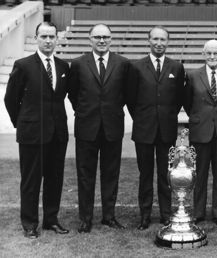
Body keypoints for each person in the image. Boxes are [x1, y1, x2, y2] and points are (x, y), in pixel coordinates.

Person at [4, 22, 70, 238]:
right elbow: (10, 99)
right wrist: (23, 123)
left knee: (55, 179)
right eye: (44, 36)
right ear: (36, 38)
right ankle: (30, 223)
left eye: (52, 36)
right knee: (31, 180)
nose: (48, 41)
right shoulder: (23, 65)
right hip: (32, 135)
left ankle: (51, 219)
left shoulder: (62, 66)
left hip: (58, 134)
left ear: (57, 39)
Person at [68, 24, 131, 233]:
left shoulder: (122, 63)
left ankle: (109, 216)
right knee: (85, 173)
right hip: (87, 126)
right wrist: (87, 112)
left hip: (112, 126)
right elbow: (73, 94)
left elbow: (125, 93)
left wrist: (109, 111)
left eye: (105, 37)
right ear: (90, 39)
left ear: (111, 39)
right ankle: (86, 218)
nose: (102, 40)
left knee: (111, 173)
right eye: (97, 37)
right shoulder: (77, 64)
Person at [126, 26, 185, 230]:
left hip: (167, 130)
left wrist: (165, 118)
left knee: (165, 174)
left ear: (167, 42)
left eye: (163, 39)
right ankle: (145, 214)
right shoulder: (136, 67)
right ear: (148, 41)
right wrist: (143, 118)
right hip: (143, 129)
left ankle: (166, 214)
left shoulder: (176, 67)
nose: (159, 43)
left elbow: (178, 99)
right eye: (155, 39)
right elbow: (130, 99)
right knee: (145, 174)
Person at [183, 40, 217, 228]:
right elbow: (188, 103)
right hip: (200, 132)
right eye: (208, 53)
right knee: (200, 174)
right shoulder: (192, 76)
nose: (212, 56)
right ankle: (198, 213)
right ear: (203, 54)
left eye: (216, 53)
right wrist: (201, 118)